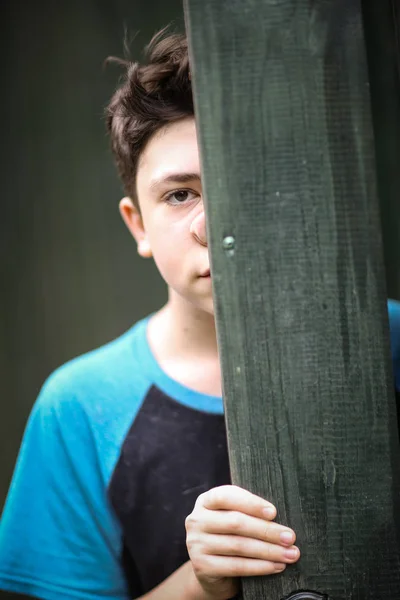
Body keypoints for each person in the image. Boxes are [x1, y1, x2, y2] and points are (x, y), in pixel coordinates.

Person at [0, 29, 399, 600]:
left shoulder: (392, 343)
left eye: (242, 187)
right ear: (137, 224)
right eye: (180, 194)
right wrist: (203, 582)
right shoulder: (79, 406)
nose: (215, 226)